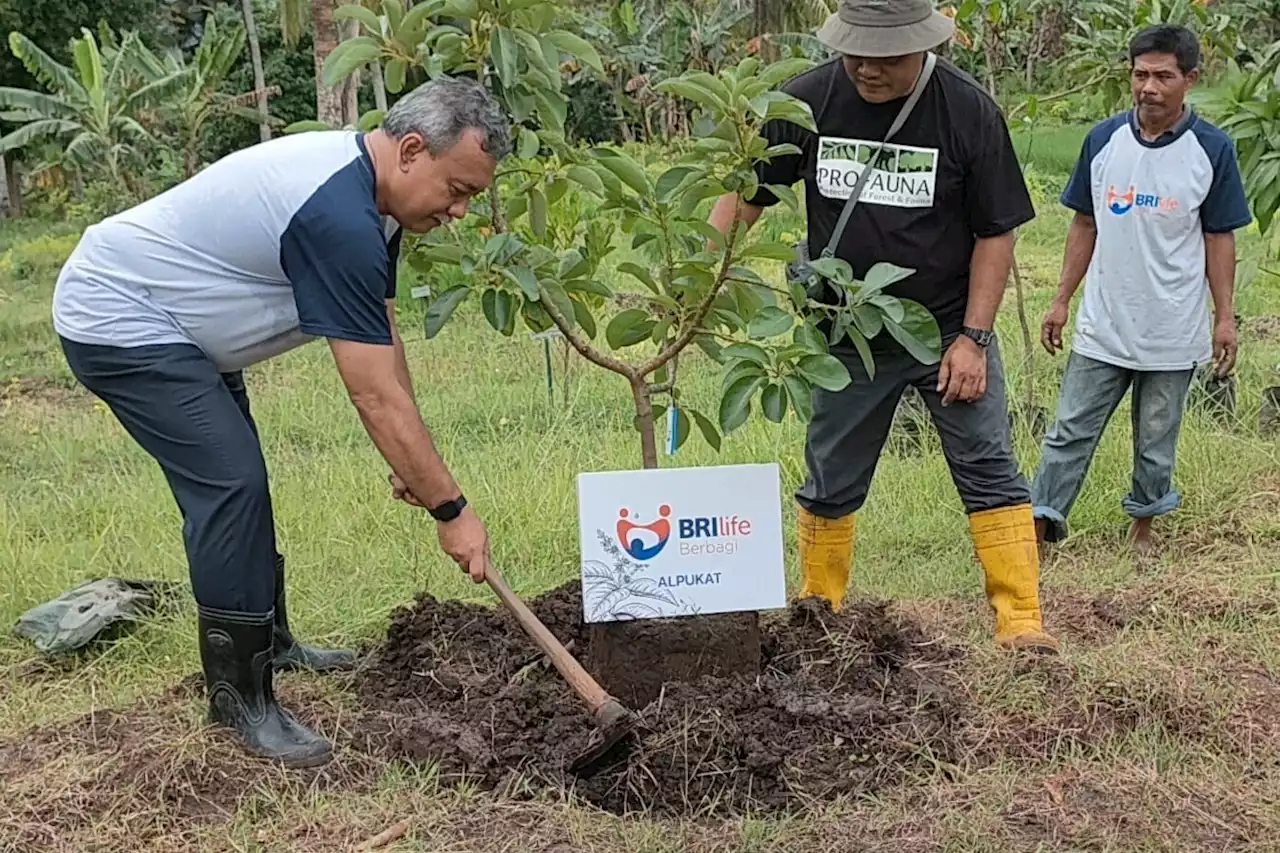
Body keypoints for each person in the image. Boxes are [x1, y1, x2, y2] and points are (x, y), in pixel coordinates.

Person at [51, 76, 511, 767]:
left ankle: (274, 639)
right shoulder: (337, 214)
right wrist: (452, 508)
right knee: (230, 484)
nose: (462, 211)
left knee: (240, 480)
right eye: (458, 190)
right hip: (122, 317)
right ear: (412, 150)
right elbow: (372, 397)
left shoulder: (372, 200)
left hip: (187, 327)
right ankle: (241, 701)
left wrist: (410, 459)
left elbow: (383, 344)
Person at [707, 0, 1059, 653]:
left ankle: (1021, 621)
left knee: (987, 464)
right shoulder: (805, 102)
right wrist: (697, 285)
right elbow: (745, 197)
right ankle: (818, 612)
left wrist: (974, 339)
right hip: (846, 335)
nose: (867, 68)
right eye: (856, 52)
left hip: (947, 328)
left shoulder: (968, 112)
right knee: (831, 473)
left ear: (923, 47)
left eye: (887, 56)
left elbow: (995, 233)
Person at [1031, 25, 1250, 554]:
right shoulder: (1104, 140)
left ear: (1190, 80)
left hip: (1172, 329)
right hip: (1104, 322)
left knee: (1155, 442)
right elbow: (1084, 224)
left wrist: (1225, 317)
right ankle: (1039, 528)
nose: (1149, 87)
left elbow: (1219, 238)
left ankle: (1144, 527)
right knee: (1069, 431)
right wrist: (1061, 299)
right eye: (1140, 74)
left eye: (1163, 76)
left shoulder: (1211, 150)